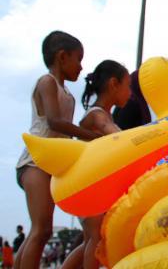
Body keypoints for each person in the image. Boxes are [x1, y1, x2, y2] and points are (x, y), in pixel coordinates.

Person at [14, 31, 99, 269]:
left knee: (39, 231)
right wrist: (93, 137)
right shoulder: (46, 82)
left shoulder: (68, 96)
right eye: (78, 59)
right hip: (35, 162)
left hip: (52, 165)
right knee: (42, 229)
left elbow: (65, 135)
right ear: (62, 57)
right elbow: (54, 122)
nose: (81, 67)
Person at [61, 60, 130, 269]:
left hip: (91, 185)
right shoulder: (97, 115)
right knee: (96, 239)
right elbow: (113, 133)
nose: (130, 93)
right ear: (113, 84)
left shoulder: (101, 113)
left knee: (89, 241)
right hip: (88, 186)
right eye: (127, 86)